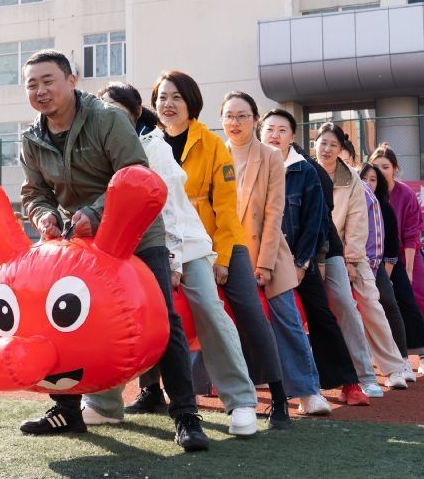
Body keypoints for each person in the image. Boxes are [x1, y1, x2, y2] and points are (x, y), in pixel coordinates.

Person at [18, 51, 208, 451]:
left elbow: (135, 175)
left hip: (136, 232)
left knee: (163, 319)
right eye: (32, 84)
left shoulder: (107, 118)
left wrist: (95, 212)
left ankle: (186, 415)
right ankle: (66, 410)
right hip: (79, 239)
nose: (40, 91)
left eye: (48, 81)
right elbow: (34, 193)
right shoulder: (31, 138)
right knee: (59, 319)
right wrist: (44, 215)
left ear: (72, 81)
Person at [88, 82, 263, 435]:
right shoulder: (97, 147)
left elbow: (168, 209)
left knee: (208, 308)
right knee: (112, 314)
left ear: (135, 114)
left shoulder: (154, 146)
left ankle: (241, 400)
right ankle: (103, 402)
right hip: (126, 247)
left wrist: (173, 261)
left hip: (184, 243)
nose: (111, 120)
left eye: (118, 113)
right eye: (105, 113)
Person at [142, 71, 291, 421]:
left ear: (191, 102)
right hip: (167, 241)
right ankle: (151, 390)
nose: (168, 104)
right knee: (149, 306)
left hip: (218, 239)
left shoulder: (211, 145)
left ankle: (278, 396)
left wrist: (222, 258)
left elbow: (226, 209)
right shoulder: (148, 143)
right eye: (162, 97)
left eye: (176, 97)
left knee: (248, 310)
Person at [221, 91, 322, 420]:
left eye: (243, 116)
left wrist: (264, 264)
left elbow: (274, 212)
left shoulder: (270, 156)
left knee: (287, 321)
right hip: (227, 253)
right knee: (230, 323)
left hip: (270, 252)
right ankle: (241, 388)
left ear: (254, 120)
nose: (235, 122)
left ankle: (307, 391)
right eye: (229, 116)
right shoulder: (216, 155)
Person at [260, 109, 365, 412]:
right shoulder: (247, 165)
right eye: (270, 129)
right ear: (260, 132)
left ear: (292, 137)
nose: (275, 135)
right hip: (255, 256)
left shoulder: (307, 171)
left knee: (321, 313)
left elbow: (316, 222)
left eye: (282, 130)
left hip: (297, 257)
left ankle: (348, 382)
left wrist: (303, 263)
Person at [313, 123, 408, 392]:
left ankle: (393, 368)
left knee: (370, 305)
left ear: (341, 149)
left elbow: (357, 221)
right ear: (315, 145)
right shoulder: (306, 170)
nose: (327, 149)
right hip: (314, 250)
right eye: (323, 143)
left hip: (348, 252)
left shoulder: (352, 178)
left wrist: (352, 260)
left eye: (333, 145)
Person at [370, 143, 424, 372]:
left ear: (394, 168)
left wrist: (407, 270)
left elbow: (411, 234)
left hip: (408, 255)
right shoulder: (367, 193)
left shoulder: (405, 194)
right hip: (377, 257)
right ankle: (390, 357)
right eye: (376, 167)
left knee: (423, 299)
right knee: (379, 305)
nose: (381, 171)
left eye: (385, 167)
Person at [359, 163, 417, 382]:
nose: (367, 183)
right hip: (353, 262)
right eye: (363, 178)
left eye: (373, 179)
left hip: (379, 266)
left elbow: (392, 247)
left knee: (389, 305)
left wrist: (386, 276)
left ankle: (402, 360)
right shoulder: (350, 202)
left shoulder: (384, 207)